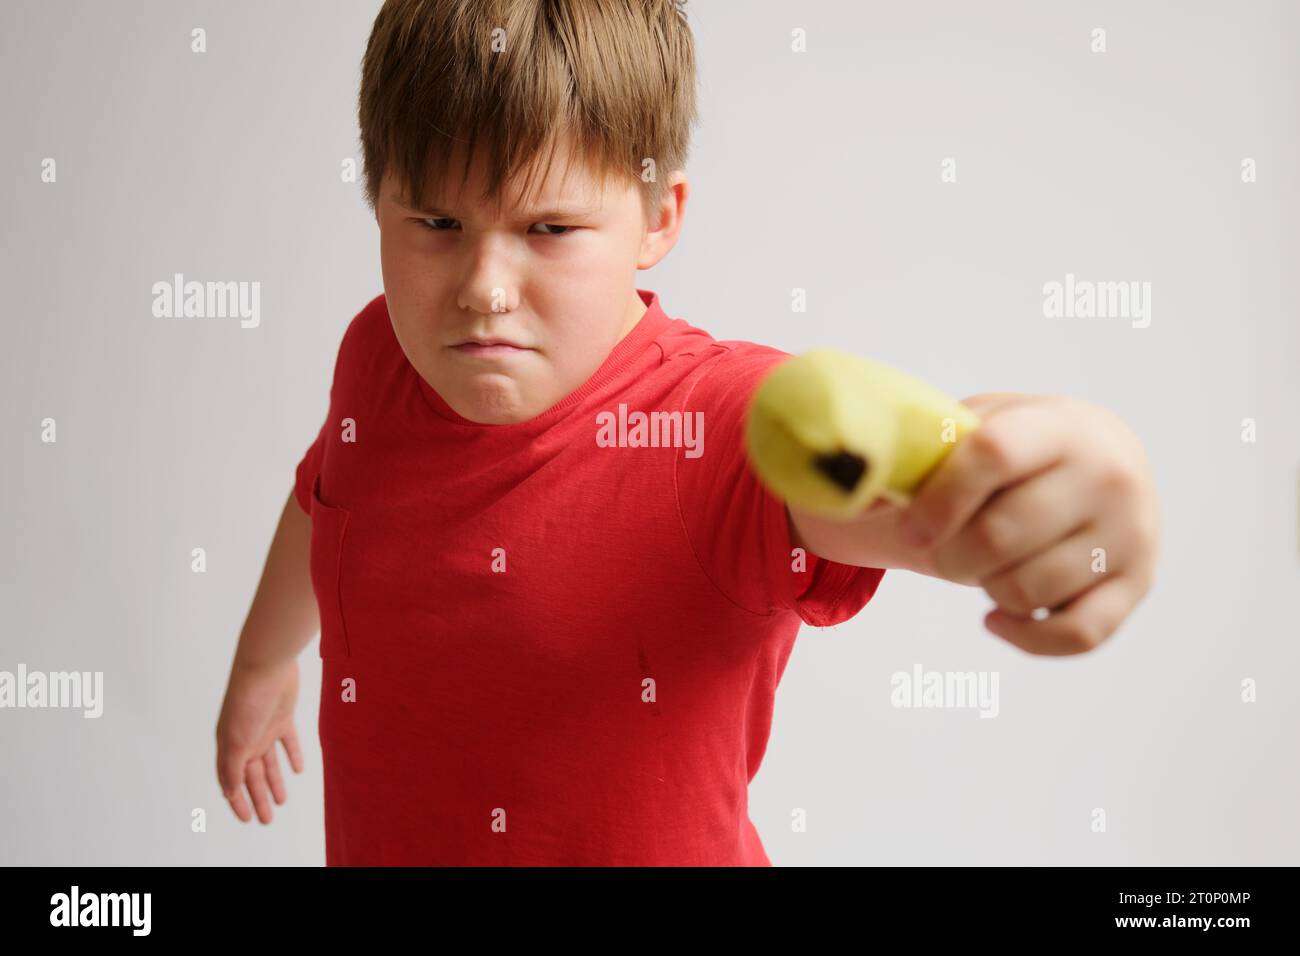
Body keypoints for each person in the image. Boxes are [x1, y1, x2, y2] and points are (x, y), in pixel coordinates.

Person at [216, 0, 1159, 866]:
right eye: (435, 221)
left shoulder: (723, 427)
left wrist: (1068, 464)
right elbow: (331, 499)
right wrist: (264, 663)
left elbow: (933, 485)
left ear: (657, 218)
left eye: (549, 229)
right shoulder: (381, 351)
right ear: (375, 194)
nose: (483, 289)